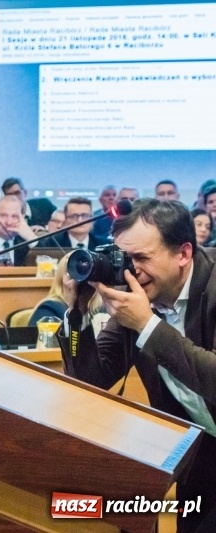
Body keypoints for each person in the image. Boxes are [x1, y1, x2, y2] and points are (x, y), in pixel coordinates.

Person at [58, 199, 216, 532]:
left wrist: (147, 325)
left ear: (183, 253)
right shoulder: (140, 298)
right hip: (201, 457)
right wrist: (77, 315)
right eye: (124, 259)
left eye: (142, 258)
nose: (132, 270)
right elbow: (91, 382)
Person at [0, 195, 38, 266]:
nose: (9, 222)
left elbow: (46, 262)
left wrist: (31, 237)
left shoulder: (25, 243)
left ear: (23, 219)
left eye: (14, 216)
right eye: (3, 215)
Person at [39, 197, 108, 251]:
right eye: (74, 216)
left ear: (92, 219)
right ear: (65, 220)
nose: (80, 220)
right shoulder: (51, 243)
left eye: (84, 215)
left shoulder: (103, 245)